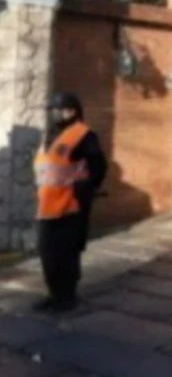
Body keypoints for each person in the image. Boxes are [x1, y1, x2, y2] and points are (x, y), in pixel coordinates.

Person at [33, 92, 108, 313]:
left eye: (58, 110)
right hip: (47, 206)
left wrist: (85, 188)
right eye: (52, 110)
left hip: (71, 206)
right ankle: (54, 294)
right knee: (48, 253)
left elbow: (98, 167)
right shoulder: (51, 135)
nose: (54, 114)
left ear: (72, 111)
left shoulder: (84, 135)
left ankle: (66, 297)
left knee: (66, 254)